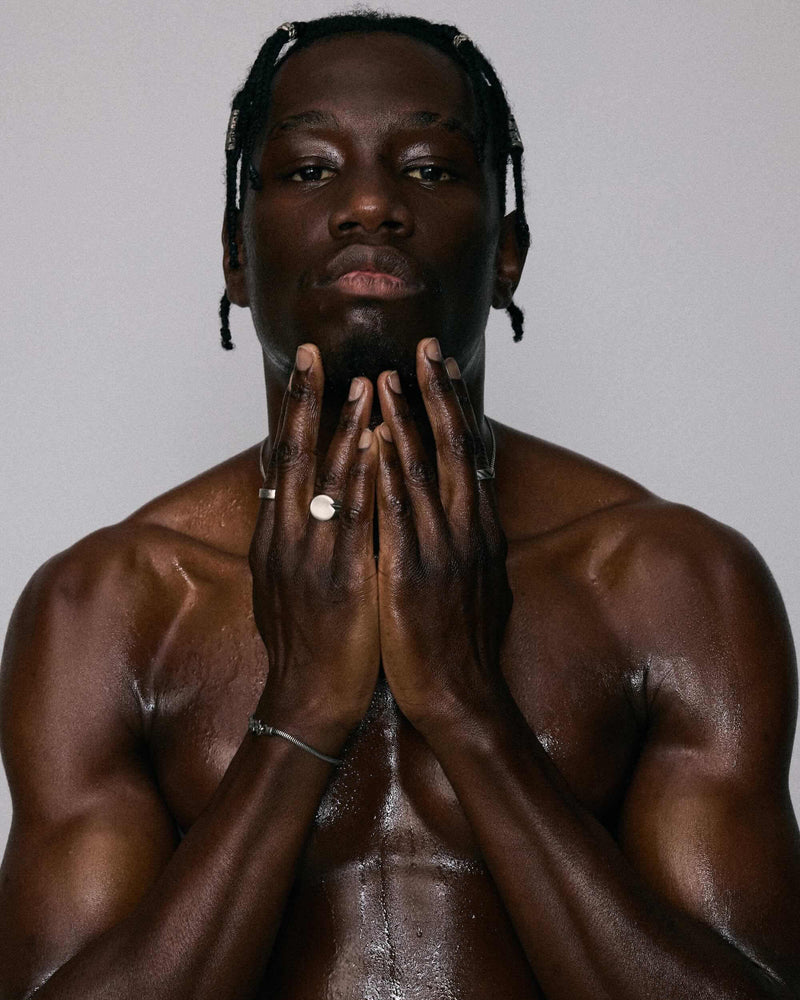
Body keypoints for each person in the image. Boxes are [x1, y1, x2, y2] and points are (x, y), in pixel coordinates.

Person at [0, 10, 798, 999]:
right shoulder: (104, 608)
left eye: (427, 168)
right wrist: (297, 716)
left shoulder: (672, 584)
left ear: (506, 250)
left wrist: (471, 711)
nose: (370, 204)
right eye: (305, 170)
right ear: (234, 258)